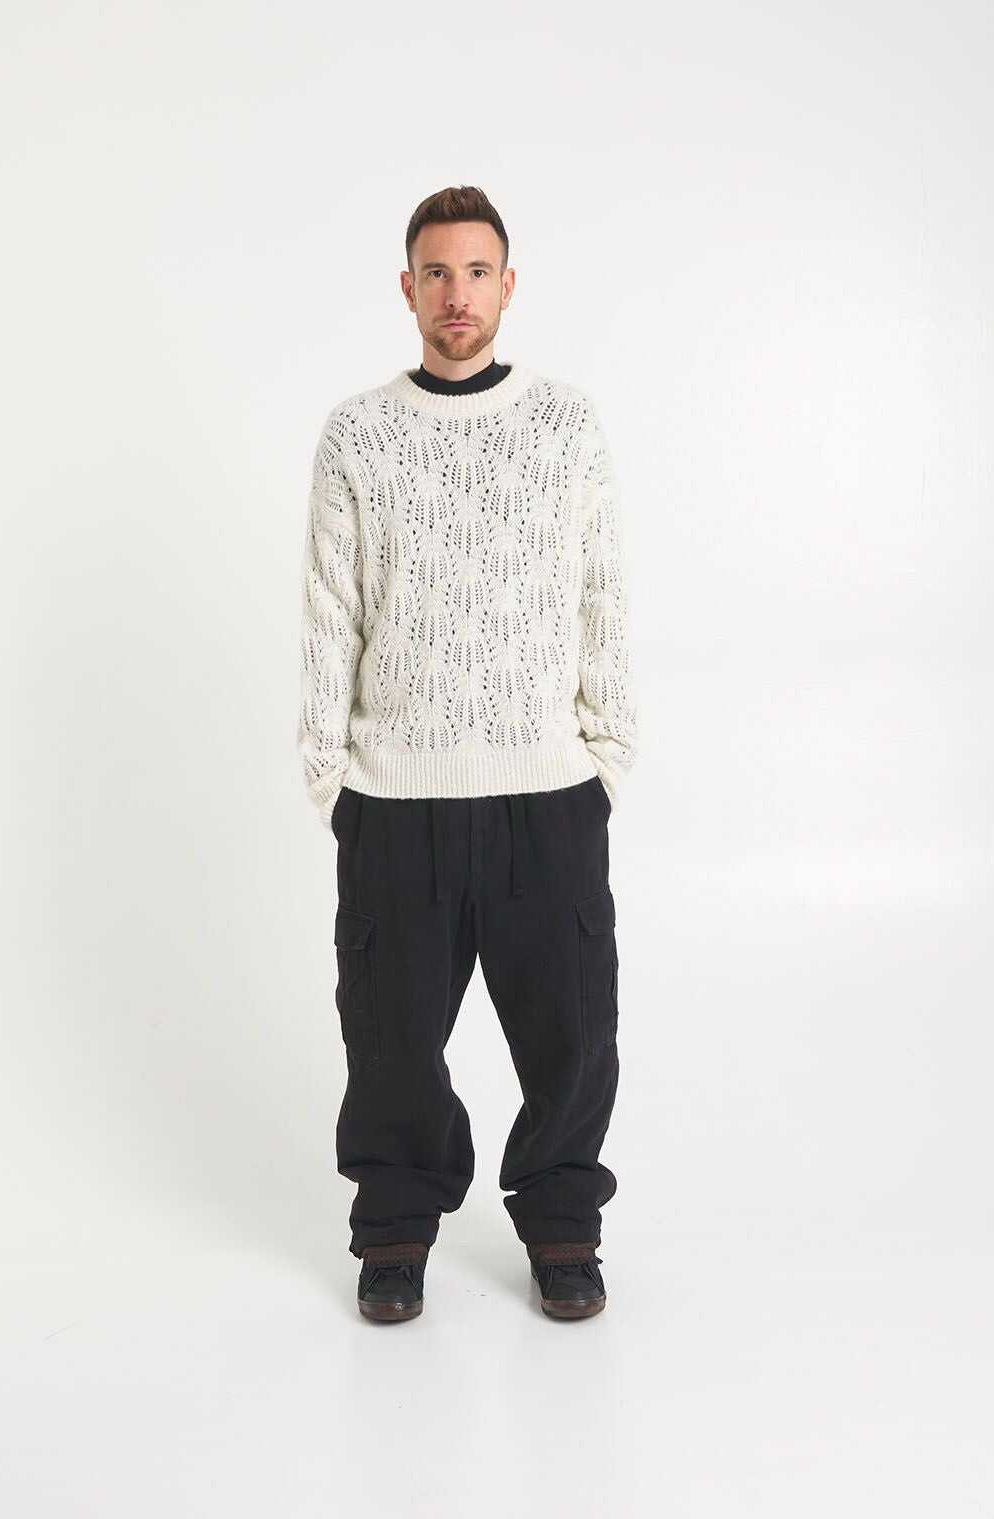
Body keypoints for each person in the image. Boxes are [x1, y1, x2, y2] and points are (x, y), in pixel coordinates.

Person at [296, 185, 639, 1323]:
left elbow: (602, 595)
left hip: (549, 793)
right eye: (437, 273)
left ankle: (563, 1229)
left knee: (573, 1033)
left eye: (477, 272)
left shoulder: (566, 425)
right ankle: (394, 1232)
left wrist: (605, 757)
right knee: (389, 1039)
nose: (458, 294)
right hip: (398, 799)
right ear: (408, 288)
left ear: (508, 284)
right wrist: (333, 776)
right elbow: (331, 609)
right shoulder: (358, 432)